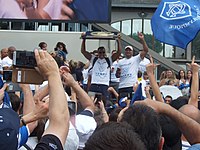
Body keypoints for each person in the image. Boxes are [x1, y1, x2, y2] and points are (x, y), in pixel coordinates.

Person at [81, 33, 121, 104]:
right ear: (98, 53)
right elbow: (83, 51)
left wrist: (118, 41)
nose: (101, 54)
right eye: (100, 52)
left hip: (104, 84)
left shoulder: (109, 60)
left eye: (103, 52)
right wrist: (84, 39)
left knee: (104, 102)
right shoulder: (94, 59)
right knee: (90, 101)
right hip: (94, 83)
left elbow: (118, 53)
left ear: (105, 53)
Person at [117, 32, 148, 99]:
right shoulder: (120, 62)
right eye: (126, 50)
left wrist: (142, 40)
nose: (128, 52)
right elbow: (117, 75)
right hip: (122, 86)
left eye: (129, 50)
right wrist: (118, 72)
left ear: (132, 52)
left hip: (131, 85)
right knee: (121, 103)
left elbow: (145, 50)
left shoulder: (135, 59)